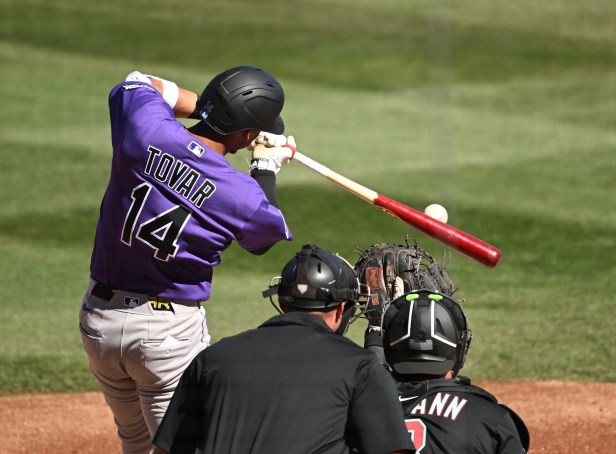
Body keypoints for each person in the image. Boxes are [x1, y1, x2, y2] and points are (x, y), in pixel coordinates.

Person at [79, 66, 296, 453]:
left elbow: (138, 81)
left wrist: (211, 110)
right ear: (248, 135)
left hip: (99, 322)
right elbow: (265, 235)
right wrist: (266, 164)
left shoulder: (144, 130)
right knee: (186, 446)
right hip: (165, 337)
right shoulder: (238, 194)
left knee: (137, 441)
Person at [152, 244, 415, 454]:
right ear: (340, 310)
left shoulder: (213, 358)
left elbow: (167, 448)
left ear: (281, 301)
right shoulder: (359, 366)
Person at [364, 288, 530, 453]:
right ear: (459, 348)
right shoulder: (490, 417)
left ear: (389, 347)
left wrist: (374, 337)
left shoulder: (359, 409)